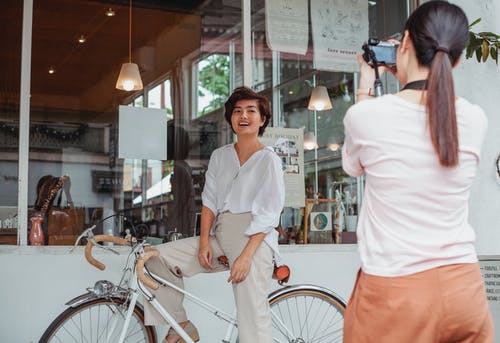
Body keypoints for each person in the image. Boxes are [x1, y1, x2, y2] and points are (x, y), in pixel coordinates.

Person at [342, 1, 493, 342]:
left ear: (405, 42)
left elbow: (353, 166)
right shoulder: (475, 118)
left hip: (397, 293)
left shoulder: (367, 116)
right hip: (463, 288)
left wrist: (368, 85)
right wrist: (409, 81)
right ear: (457, 58)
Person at [144, 86, 285, 343]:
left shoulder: (269, 160)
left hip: (252, 239)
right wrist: (204, 241)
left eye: (251, 111)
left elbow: (269, 214)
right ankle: (181, 325)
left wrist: (245, 257)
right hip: (221, 234)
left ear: (262, 119)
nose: (243, 116)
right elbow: (209, 201)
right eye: (237, 111)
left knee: (251, 318)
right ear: (230, 118)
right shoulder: (221, 156)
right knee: (154, 257)